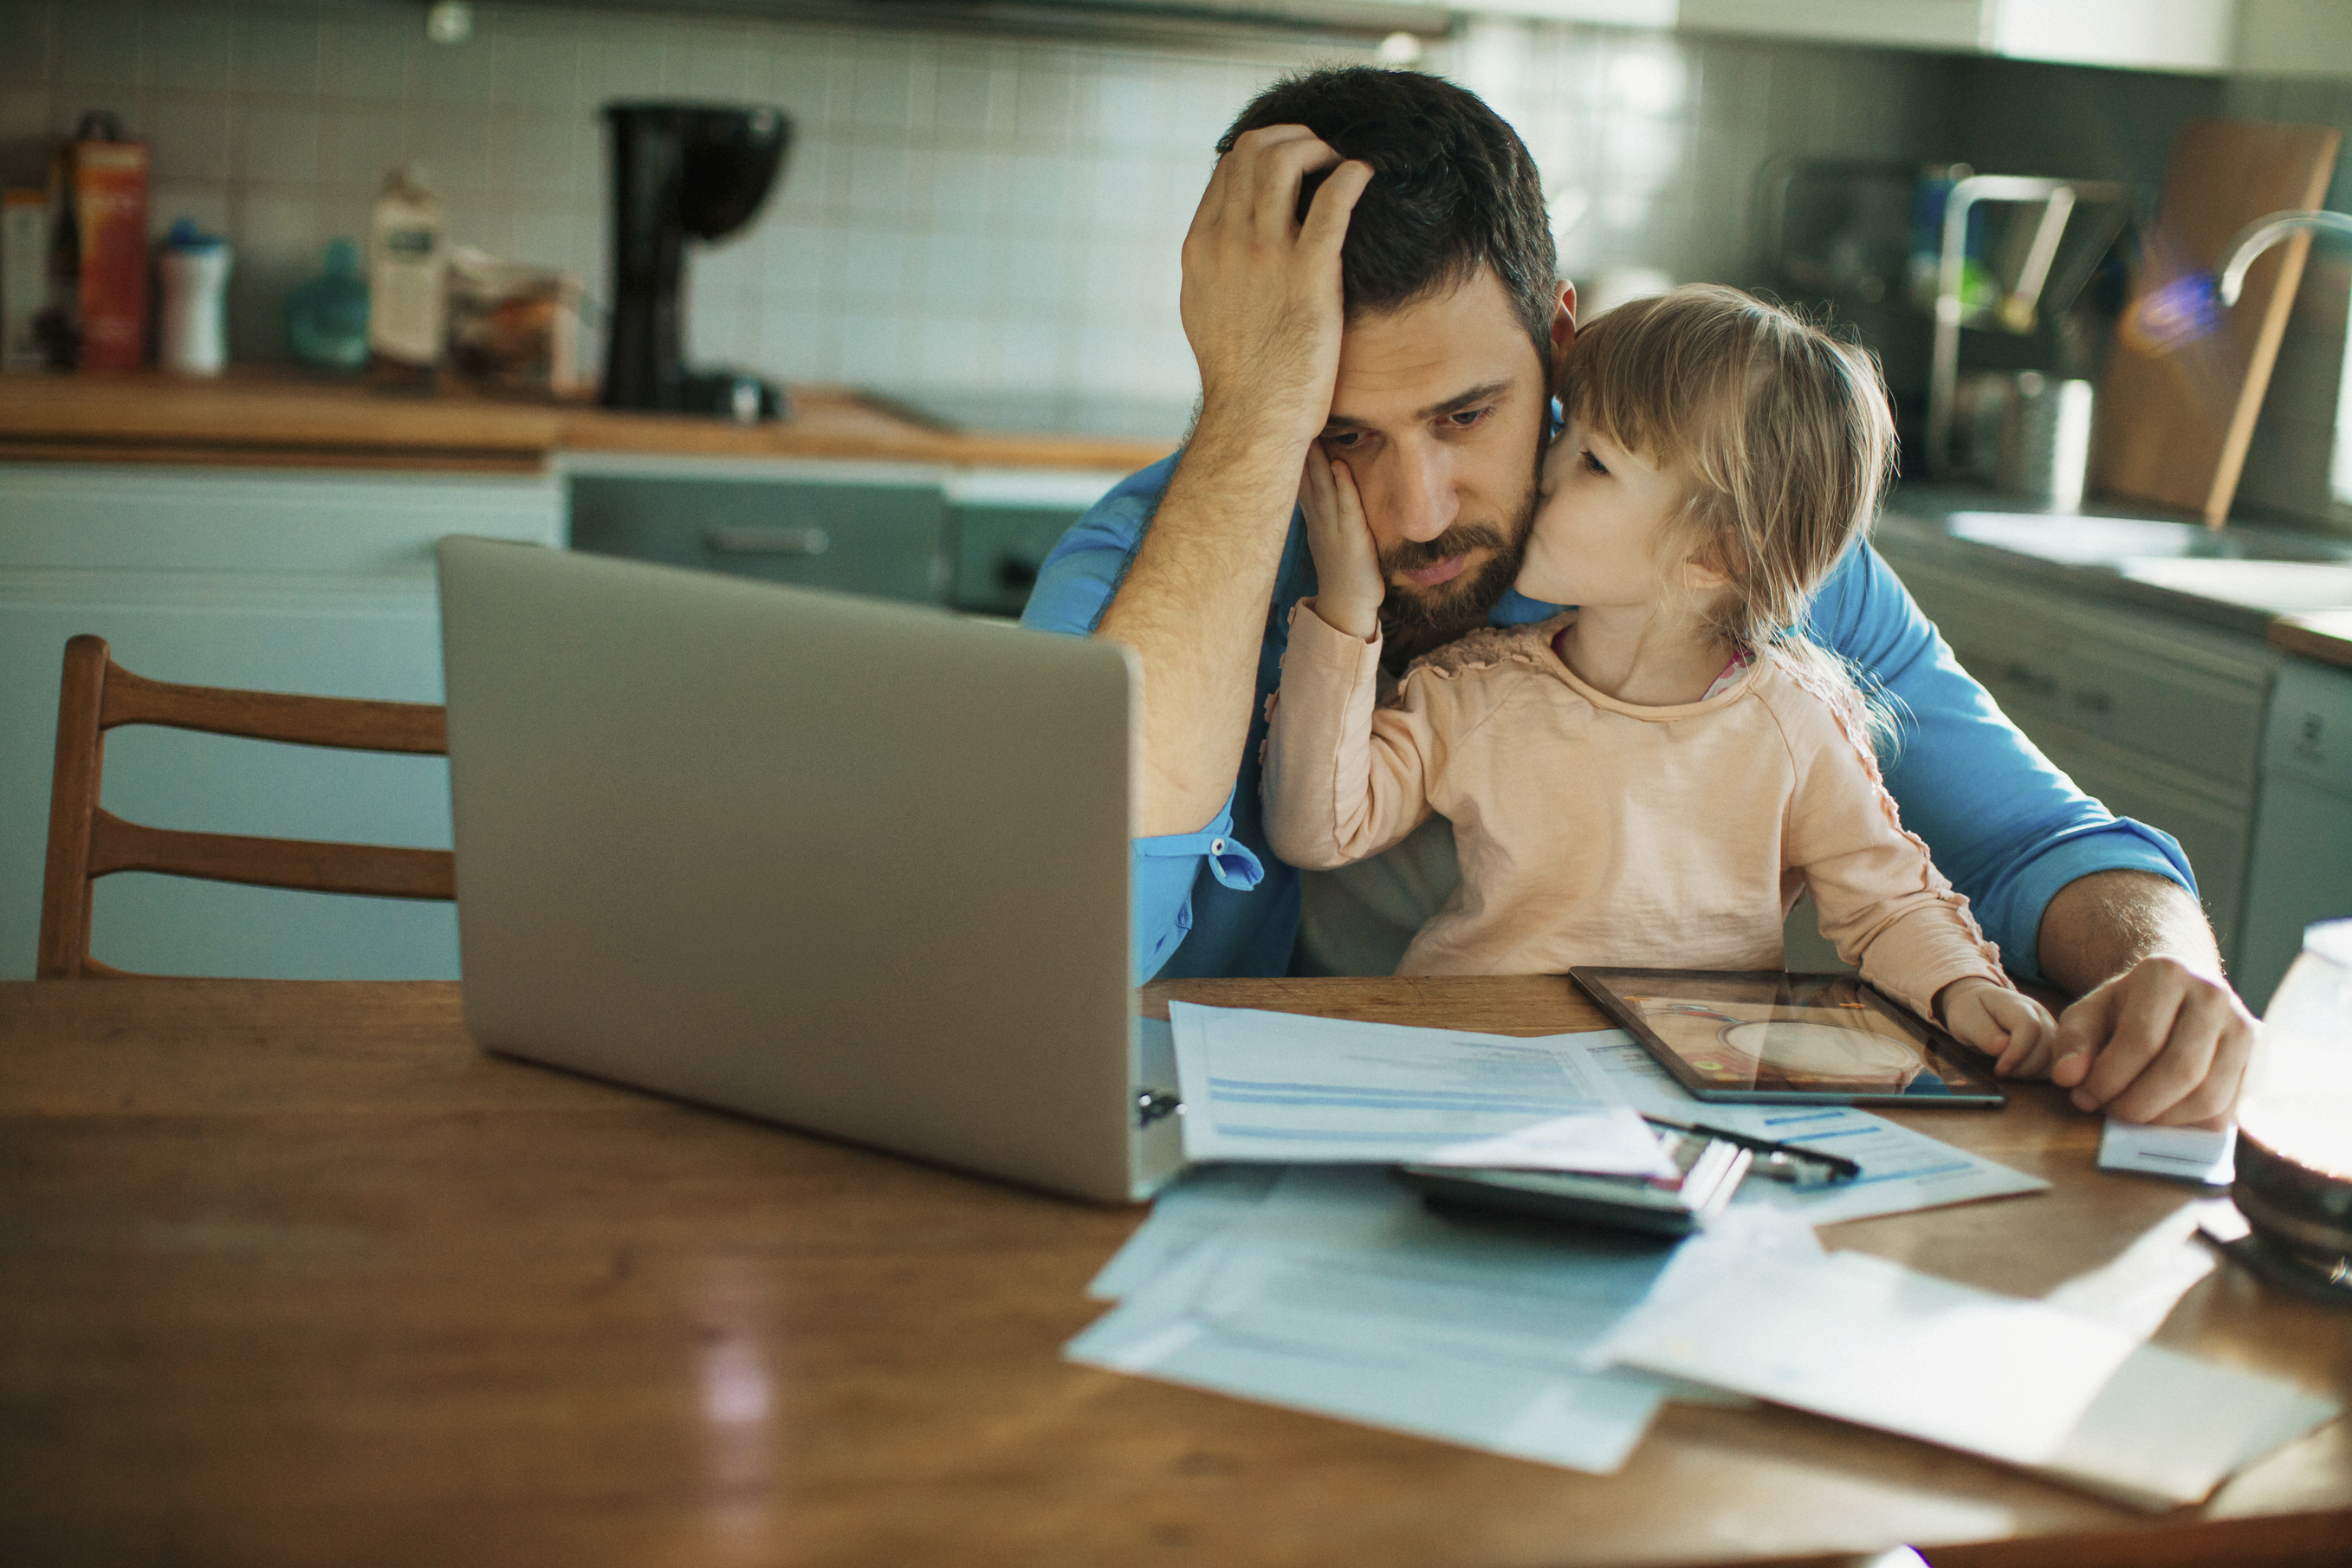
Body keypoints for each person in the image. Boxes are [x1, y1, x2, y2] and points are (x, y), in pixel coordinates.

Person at [1019, 65, 2255, 1126]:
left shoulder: (1714, 539)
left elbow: (2032, 840)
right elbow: (1065, 947)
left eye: (1466, 414)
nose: (1419, 508)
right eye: (1336, 433)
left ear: (1559, 342)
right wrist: (1251, 415)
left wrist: (2167, 977)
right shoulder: (1143, 560)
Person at [1263, 283, 2057, 1069]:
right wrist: (1344, 608)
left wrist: (1963, 988)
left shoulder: (1798, 729)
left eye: (1594, 463)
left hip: (1689, 1089)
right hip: (1470, 1059)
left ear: (1715, 557)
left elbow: (1890, 907)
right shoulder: (1474, 690)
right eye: (1565, 435)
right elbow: (1318, 830)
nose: (1544, 471)